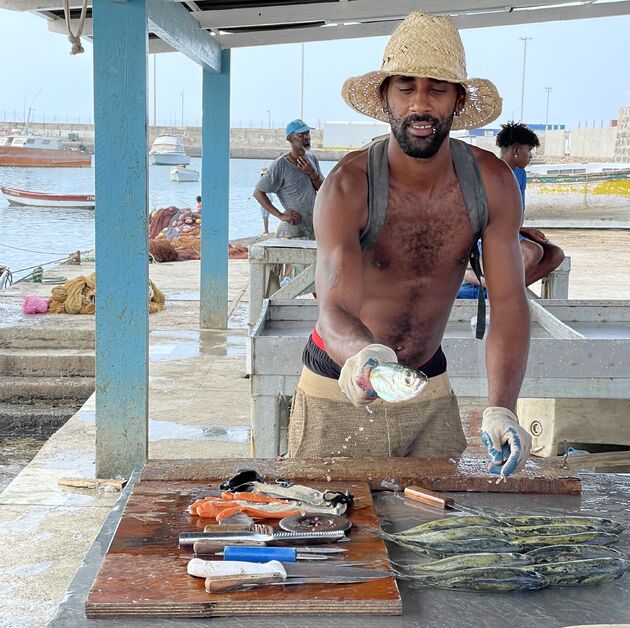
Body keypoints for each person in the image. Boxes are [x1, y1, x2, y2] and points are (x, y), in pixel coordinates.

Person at [287, 11, 532, 479]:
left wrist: (502, 407)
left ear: (458, 100)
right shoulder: (348, 185)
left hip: (425, 382)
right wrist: (365, 356)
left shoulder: (493, 183)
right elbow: (333, 307)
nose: (421, 104)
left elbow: (509, 305)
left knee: (434, 531)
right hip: (339, 381)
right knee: (329, 536)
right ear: (385, 99)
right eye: (406, 87)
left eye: (438, 88)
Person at [459, 122, 565, 296]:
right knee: (533, 252)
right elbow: (482, 216)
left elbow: (512, 215)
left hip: (510, 232)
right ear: (516, 151)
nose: (530, 156)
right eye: (529, 150)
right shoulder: (489, 172)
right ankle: (501, 295)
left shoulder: (520, 174)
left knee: (556, 254)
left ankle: (495, 291)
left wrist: (524, 230)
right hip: (485, 236)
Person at [253, 119, 325, 283]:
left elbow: (324, 190)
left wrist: (312, 173)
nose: (306, 137)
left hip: (315, 227)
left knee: (317, 278)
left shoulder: (312, 159)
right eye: (301, 134)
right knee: (301, 279)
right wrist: (280, 215)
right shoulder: (280, 165)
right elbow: (258, 192)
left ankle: (320, 307)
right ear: (290, 139)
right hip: (295, 229)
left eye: (307, 133)